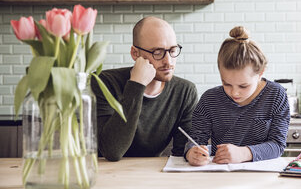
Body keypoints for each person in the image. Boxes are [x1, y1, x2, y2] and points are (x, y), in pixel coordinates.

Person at [91, 16, 198, 161]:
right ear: (135, 53)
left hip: (152, 173)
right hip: (107, 173)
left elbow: (183, 152)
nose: (168, 61)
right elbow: (112, 151)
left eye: (172, 50)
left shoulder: (185, 91)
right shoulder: (104, 82)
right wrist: (136, 85)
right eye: (158, 52)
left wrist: (193, 153)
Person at [185, 26, 290, 166]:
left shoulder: (276, 95)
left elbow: (277, 145)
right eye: (226, 84)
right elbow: (195, 140)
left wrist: (244, 153)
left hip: (263, 177)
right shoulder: (210, 99)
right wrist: (192, 152)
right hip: (219, 175)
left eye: (243, 86)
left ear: (261, 73)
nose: (234, 93)